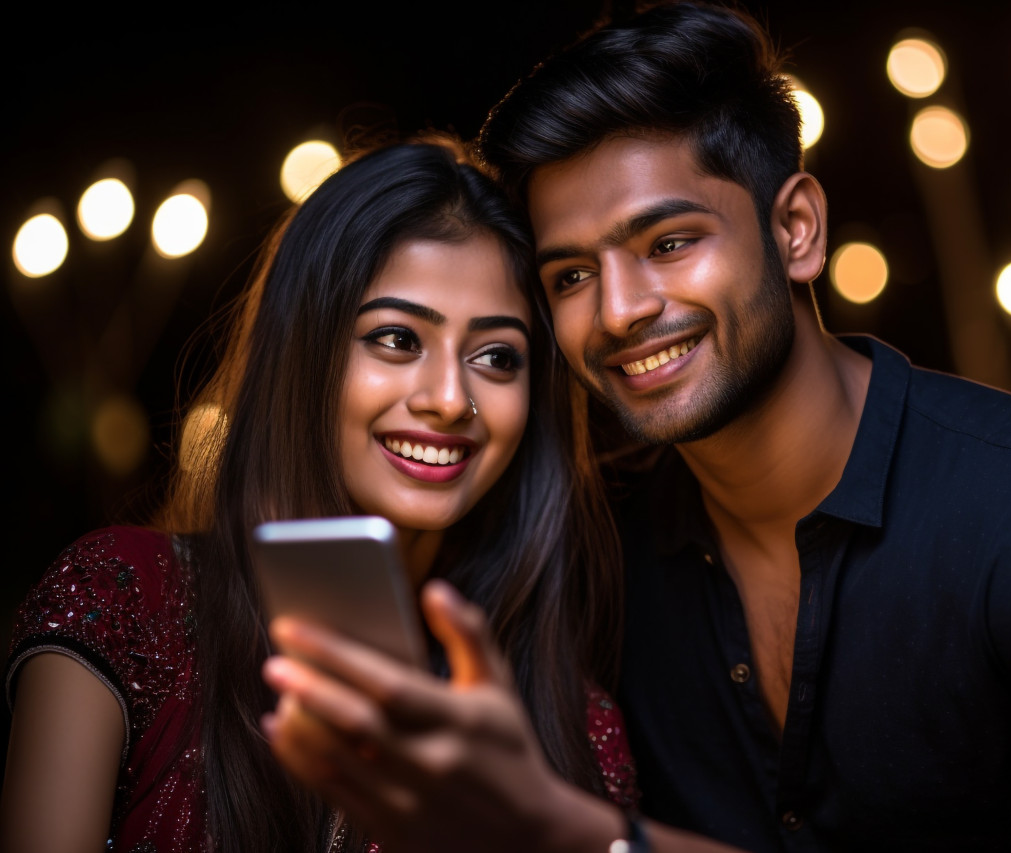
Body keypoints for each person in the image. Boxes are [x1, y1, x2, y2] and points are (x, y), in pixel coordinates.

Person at [261, 2, 1011, 850]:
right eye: (569, 275)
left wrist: (574, 836)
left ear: (797, 228)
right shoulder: (590, 552)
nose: (619, 310)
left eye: (668, 242)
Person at [1, 138, 636, 853]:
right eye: (397, 338)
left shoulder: (574, 724)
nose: (452, 400)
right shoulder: (125, 595)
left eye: (496, 356)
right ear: (306, 354)